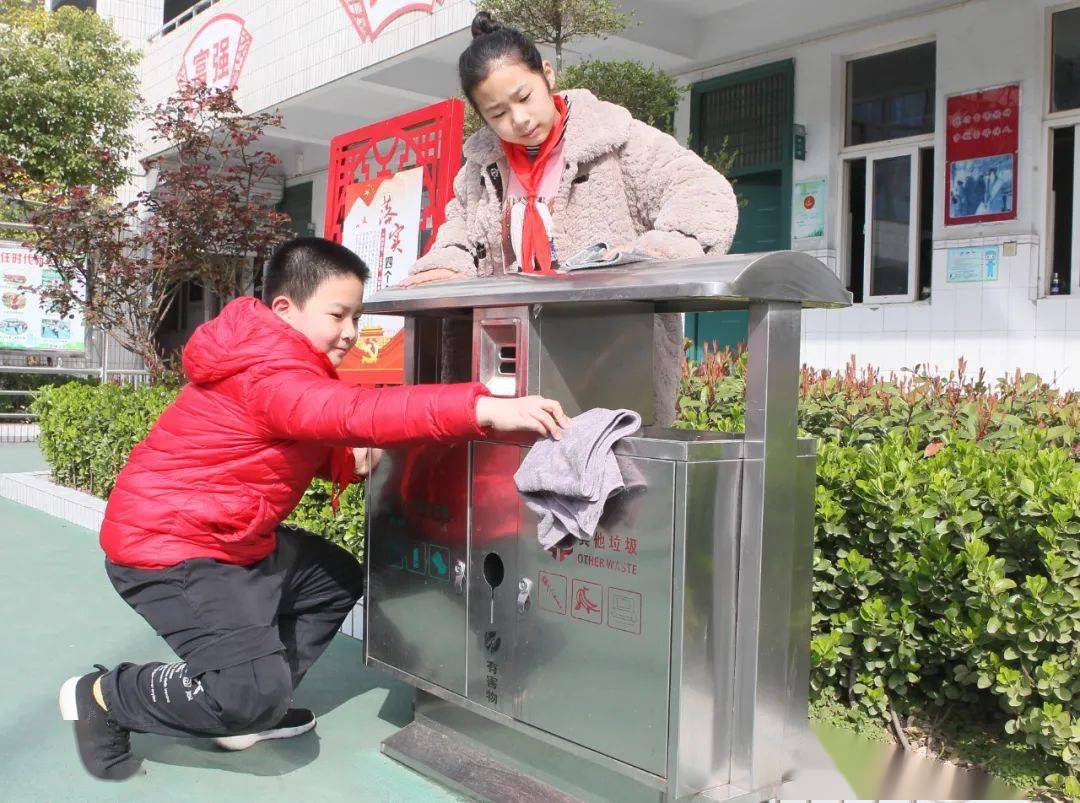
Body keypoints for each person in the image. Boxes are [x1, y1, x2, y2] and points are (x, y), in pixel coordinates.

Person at [58, 236, 569, 781]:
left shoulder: (277, 363)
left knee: (332, 581)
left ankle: (253, 700)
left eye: (357, 315)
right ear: (286, 308)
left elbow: (289, 438)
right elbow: (349, 411)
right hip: (171, 550)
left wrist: (346, 465)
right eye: (338, 314)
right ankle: (108, 694)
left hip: (233, 536)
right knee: (245, 694)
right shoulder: (268, 371)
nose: (351, 332)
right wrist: (485, 408)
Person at [400, 11, 739, 426]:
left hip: (613, 361)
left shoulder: (617, 141)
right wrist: (445, 265)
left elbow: (703, 192)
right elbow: (459, 233)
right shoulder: (479, 167)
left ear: (548, 74)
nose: (519, 120)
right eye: (498, 113)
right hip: (510, 368)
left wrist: (649, 256)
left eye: (524, 98)